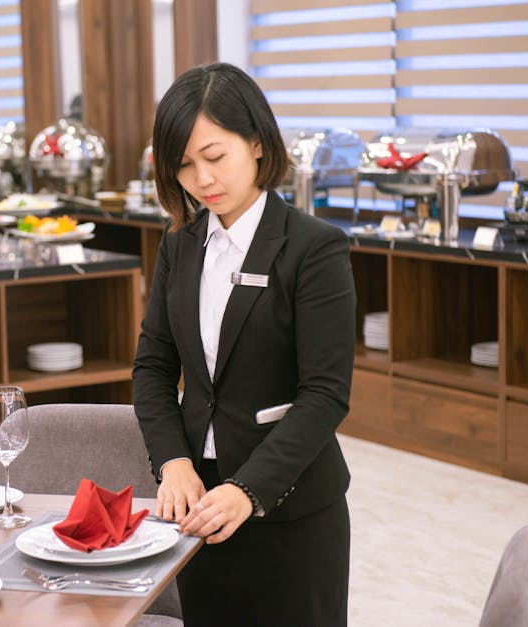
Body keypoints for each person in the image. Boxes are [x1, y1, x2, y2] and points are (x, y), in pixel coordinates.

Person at [132, 62, 356, 625]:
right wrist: (173, 463)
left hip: (290, 511)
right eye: (183, 165)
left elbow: (325, 395)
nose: (202, 179)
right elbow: (153, 368)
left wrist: (248, 489)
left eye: (215, 156)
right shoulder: (179, 244)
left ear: (256, 143)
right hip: (199, 509)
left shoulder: (314, 249)